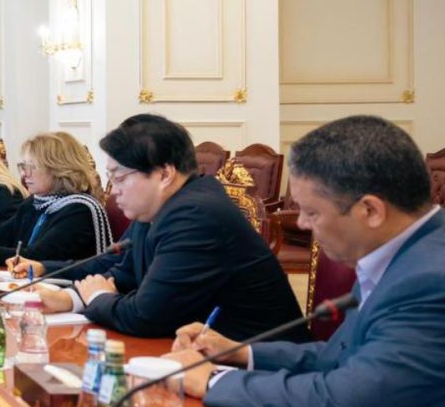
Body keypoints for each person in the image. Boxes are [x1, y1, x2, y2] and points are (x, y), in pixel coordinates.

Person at [167, 116, 445, 407]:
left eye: (312, 213)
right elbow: (344, 356)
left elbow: (352, 406)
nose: (300, 224)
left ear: (371, 210)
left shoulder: (429, 279)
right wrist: (240, 353)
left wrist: (213, 381)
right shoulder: (399, 253)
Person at [24, 114, 306, 341]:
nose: (114, 190)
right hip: (197, 354)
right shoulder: (159, 209)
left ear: (164, 174)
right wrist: (68, 299)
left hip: (262, 368)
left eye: (120, 178)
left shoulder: (196, 216)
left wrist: (96, 297)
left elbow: (145, 317)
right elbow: (123, 274)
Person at [0, 132, 114, 266]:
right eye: (23, 167)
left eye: (32, 167)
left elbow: (36, 258)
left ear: (58, 169)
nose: (24, 174)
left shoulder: (80, 210)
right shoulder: (35, 202)